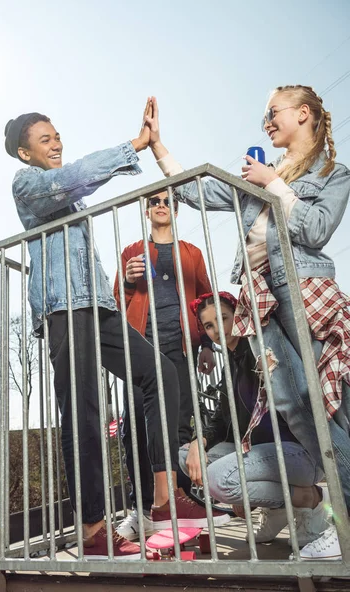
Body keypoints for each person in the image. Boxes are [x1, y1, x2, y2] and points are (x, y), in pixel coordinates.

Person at [4, 107, 228, 559]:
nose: (56, 144)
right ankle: (91, 530)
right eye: (45, 140)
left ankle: (164, 500)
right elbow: (72, 178)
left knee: (160, 374)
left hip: (97, 307)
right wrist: (135, 146)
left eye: (58, 136)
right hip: (64, 307)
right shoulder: (27, 183)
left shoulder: (68, 197)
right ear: (25, 152)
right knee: (84, 408)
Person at [145, 88, 350, 560]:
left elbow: (317, 229)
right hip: (263, 302)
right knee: (299, 409)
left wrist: (272, 185)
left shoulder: (330, 174)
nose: (266, 122)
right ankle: (334, 525)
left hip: (302, 292)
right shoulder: (260, 178)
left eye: (273, 113)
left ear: (304, 114)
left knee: (327, 410)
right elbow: (198, 187)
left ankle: (339, 521)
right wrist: (159, 148)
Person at [180, 292, 330, 547]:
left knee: (218, 479)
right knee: (187, 456)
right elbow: (220, 419)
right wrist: (198, 442)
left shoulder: (259, 348)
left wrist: (239, 488)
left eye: (223, 318)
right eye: (209, 325)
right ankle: (278, 509)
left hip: (299, 454)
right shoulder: (231, 363)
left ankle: (309, 498)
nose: (218, 329)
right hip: (261, 453)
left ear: (237, 315)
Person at [113, 189, 215, 540]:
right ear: (146, 211)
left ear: (175, 209)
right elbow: (118, 302)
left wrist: (205, 344)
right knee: (135, 429)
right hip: (141, 347)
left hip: (180, 347)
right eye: (154, 201)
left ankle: (184, 507)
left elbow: (205, 303)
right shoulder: (131, 252)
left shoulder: (192, 253)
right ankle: (142, 510)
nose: (160, 205)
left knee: (178, 429)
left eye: (167, 201)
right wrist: (128, 280)